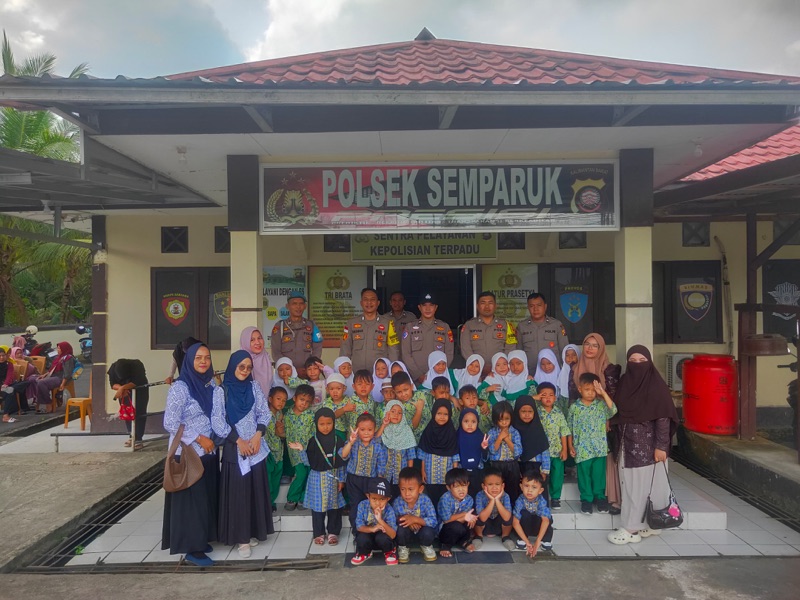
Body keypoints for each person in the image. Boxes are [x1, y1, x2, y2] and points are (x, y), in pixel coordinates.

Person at [607, 345, 680, 545]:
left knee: (646, 488)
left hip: (650, 448)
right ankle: (646, 524)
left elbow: (663, 418)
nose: (637, 364)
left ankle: (632, 529)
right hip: (628, 445)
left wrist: (661, 446)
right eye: (633, 361)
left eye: (642, 360)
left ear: (649, 362)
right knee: (633, 488)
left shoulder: (656, 387)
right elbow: (616, 407)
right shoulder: (625, 382)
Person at [211, 350, 274, 558]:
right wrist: (239, 441)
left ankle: (252, 531)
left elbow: (264, 413)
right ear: (233, 366)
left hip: (255, 449)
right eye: (241, 367)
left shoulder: (254, 387)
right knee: (239, 494)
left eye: (248, 367)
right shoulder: (221, 391)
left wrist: (257, 435)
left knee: (254, 491)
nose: (245, 371)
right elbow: (217, 421)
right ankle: (242, 539)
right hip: (235, 449)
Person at [161, 343, 219, 567]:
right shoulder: (180, 387)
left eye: (207, 357)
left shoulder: (209, 384)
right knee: (191, 503)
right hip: (188, 453)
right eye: (198, 358)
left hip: (208, 452)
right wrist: (199, 437)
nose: (203, 361)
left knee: (204, 499)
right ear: (189, 361)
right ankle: (192, 549)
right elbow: (170, 422)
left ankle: (202, 539)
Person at [567, 333, 622, 513]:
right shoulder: (575, 405)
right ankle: (586, 500)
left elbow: (613, 408)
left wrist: (602, 394)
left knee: (599, 473)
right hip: (582, 445)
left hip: (599, 443)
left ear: (601, 348)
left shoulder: (609, 370)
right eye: (587, 344)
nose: (590, 348)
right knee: (584, 473)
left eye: (594, 345)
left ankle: (600, 497)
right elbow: (569, 426)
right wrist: (570, 444)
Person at [287, 407, 346, 546]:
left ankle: (333, 532)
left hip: (334, 478)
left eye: (329, 423)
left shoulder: (338, 440)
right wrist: (302, 450)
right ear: (316, 424)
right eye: (321, 424)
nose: (325, 427)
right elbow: (309, 462)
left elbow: (342, 462)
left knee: (334, 507)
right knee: (318, 508)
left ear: (334, 423)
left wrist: (342, 480)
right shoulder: (313, 441)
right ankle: (319, 533)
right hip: (317, 480)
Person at [340, 413, 388, 530]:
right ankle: (357, 531)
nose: (366, 433)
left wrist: (380, 481)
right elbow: (343, 455)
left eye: (370, 430)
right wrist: (350, 442)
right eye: (362, 430)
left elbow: (381, 465)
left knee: (370, 505)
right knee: (356, 506)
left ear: (374, 430)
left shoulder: (377, 446)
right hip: (354, 480)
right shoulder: (354, 443)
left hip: (371, 481)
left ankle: (370, 530)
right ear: (356, 429)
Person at [339, 287, 399, 372]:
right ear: (361, 303)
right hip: (357, 374)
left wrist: (393, 371)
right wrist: (343, 370)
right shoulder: (351, 323)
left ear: (378, 303)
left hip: (379, 374)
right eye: (366, 299)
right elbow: (345, 350)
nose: (369, 302)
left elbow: (393, 351)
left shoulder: (388, 323)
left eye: (372, 299)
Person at [399, 293, 454, 384]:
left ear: (436, 307)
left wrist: (439, 372)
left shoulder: (444, 327)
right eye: (424, 305)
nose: (428, 309)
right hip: (416, 380)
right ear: (419, 307)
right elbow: (406, 354)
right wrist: (418, 375)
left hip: (438, 378)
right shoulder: (410, 327)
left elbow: (449, 353)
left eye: (431, 305)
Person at [416, 398, 461, 507]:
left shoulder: (451, 433)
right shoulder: (428, 431)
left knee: (445, 498)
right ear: (434, 414)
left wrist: (454, 474)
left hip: (446, 474)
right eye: (439, 413)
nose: (442, 417)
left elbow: (455, 455)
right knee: (431, 498)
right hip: (430, 473)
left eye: (445, 414)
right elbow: (423, 453)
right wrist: (422, 471)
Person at [459, 291, 517, 373]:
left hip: (500, 372)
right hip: (475, 371)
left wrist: (499, 365)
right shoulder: (469, 325)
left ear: (495, 306)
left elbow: (511, 348)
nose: (487, 306)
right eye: (483, 303)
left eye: (490, 303)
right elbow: (465, 349)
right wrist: (476, 365)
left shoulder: (506, 325)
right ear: (477, 306)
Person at [271, 291, 324, 377]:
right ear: (287, 306)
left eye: (301, 303)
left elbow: (317, 349)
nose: (298, 307)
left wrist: (309, 368)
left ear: (305, 306)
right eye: (294, 303)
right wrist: (291, 370)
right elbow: (276, 352)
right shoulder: (279, 326)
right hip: (287, 375)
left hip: (307, 374)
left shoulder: (311, 325)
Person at [535, 383, 571, 509]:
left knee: (557, 475)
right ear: (539, 397)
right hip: (541, 451)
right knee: (541, 475)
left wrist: (564, 449)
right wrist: (534, 398)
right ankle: (540, 497)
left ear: (555, 398)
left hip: (556, 450)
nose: (548, 398)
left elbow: (564, 431)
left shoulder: (558, 413)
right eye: (544, 395)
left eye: (551, 395)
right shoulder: (536, 411)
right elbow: (523, 403)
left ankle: (555, 498)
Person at [393, 466, 439, 563]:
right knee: (400, 529)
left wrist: (415, 519)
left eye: (411, 489)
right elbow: (393, 519)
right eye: (403, 489)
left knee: (429, 531)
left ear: (420, 489)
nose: (407, 493)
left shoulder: (425, 500)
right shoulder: (398, 502)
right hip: (407, 532)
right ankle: (403, 547)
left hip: (422, 531)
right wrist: (408, 521)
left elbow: (433, 520)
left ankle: (426, 545)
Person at [351, 476, 398, 566]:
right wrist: (372, 529)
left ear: (388, 499)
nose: (377, 503)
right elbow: (359, 526)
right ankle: (365, 553)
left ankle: (389, 552)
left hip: (381, 537)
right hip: (368, 534)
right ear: (368, 496)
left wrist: (380, 520)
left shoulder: (389, 509)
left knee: (383, 538)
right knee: (361, 537)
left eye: (382, 499)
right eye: (374, 499)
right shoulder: (362, 505)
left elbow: (393, 534)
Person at [284, 384, 316, 511]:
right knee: (301, 474)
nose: (304, 404)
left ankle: (303, 498)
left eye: (308, 401)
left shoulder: (311, 415)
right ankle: (292, 497)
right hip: (294, 452)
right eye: (302, 400)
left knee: (308, 474)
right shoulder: (288, 415)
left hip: (308, 451)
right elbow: (284, 432)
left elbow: (314, 433)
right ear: (294, 398)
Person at [515, 293, 569, 368]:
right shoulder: (522, 326)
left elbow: (564, 350)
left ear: (545, 306)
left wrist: (566, 370)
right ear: (528, 308)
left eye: (539, 305)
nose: (535, 309)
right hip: (530, 372)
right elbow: (518, 352)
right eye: (532, 306)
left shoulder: (556, 325)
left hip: (553, 372)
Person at [376, 399, 417, 498]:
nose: (396, 415)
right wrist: (384, 425)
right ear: (387, 412)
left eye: (399, 413)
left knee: (399, 497)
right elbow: (375, 441)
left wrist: (409, 474)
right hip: (384, 474)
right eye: (393, 411)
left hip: (401, 475)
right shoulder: (384, 429)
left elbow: (410, 455)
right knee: (384, 497)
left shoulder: (406, 431)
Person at [512, 395, 551, 497]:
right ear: (517, 412)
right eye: (523, 411)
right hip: (519, 467)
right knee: (520, 493)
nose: (527, 414)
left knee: (537, 493)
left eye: (530, 411)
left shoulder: (538, 430)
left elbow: (544, 451)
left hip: (536, 468)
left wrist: (544, 470)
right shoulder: (513, 431)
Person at [108, 359, 149, 450]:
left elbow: (136, 382)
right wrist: (121, 388)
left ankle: (138, 439)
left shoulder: (137, 365)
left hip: (140, 390)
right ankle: (131, 436)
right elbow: (112, 384)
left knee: (139, 412)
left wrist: (122, 388)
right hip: (124, 392)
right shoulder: (113, 368)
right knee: (127, 411)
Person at [486, 401, 522, 505]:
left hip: (512, 465)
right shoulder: (492, 432)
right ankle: (498, 509)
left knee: (512, 489)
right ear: (495, 419)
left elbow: (518, 452)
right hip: (497, 465)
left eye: (507, 419)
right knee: (497, 489)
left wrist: (507, 439)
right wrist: (499, 438)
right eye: (501, 419)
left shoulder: (515, 432)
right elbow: (492, 451)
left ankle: (511, 511)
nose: (504, 422)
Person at [512, 468, 554, 556]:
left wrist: (538, 540)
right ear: (521, 487)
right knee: (524, 514)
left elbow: (545, 521)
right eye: (526, 486)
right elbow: (515, 522)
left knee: (548, 518)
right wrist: (527, 542)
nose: (529, 490)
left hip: (538, 526)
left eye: (534, 487)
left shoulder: (541, 501)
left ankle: (546, 539)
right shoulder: (520, 500)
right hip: (527, 527)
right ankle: (522, 538)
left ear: (540, 491)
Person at [437, 468, 477, 557]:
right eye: (456, 487)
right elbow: (447, 520)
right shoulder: (445, 499)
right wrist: (464, 515)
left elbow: (466, 518)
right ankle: (445, 545)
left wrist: (467, 518)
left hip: (459, 524)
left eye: (464, 486)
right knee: (456, 526)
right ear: (448, 488)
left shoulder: (469, 499)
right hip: (445, 528)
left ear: (468, 485)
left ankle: (463, 541)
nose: (461, 490)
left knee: (471, 521)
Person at [473, 466, 515, 551]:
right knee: (476, 515)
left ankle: (505, 537)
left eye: (497, 484)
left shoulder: (505, 496)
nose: (494, 488)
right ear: (483, 486)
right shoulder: (480, 495)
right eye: (490, 484)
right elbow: (482, 518)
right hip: (484, 527)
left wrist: (497, 500)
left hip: (499, 527)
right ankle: (478, 536)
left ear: (502, 486)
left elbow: (507, 518)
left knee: (509, 515)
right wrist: (492, 500)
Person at [33, 342, 75, 413]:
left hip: (62, 377)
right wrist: (45, 375)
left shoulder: (68, 358)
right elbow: (53, 368)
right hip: (55, 376)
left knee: (42, 383)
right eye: (57, 348)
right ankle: (41, 403)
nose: (58, 350)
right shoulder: (59, 357)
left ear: (64, 349)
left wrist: (63, 384)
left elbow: (67, 373)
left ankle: (48, 403)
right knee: (37, 380)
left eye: (59, 348)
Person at [265, 386, 288, 511]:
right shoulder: (266, 415)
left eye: (284, 400)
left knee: (276, 478)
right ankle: (267, 502)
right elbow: (278, 433)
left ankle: (272, 501)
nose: (281, 402)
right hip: (268, 452)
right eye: (278, 399)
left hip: (278, 451)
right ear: (270, 399)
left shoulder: (279, 413)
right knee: (268, 479)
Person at [391, 371, 431, 442]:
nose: (403, 394)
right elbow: (412, 427)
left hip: (432, 434)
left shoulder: (422, 394)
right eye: (399, 392)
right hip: (415, 441)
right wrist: (419, 410)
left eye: (406, 390)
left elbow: (436, 393)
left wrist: (451, 397)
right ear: (394, 392)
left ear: (411, 386)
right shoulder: (397, 407)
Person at [457, 407, 489, 498]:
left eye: (473, 422)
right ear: (461, 422)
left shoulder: (481, 437)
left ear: (477, 423)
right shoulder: (456, 437)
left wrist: (484, 448)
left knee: (478, 495)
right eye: (466, 421)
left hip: (478, 473)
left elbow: (486, 459)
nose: (470, 425)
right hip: (462, 473)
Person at [240, 327, 274, 400]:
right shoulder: (241, 361)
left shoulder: (265, 357)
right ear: (245, 342)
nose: (257, 342)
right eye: (252, 340)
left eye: (259, 338)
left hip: (266, 402)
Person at [556, 344, 580, 415]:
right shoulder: (562, 372)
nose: (570, 358)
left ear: (578, 356)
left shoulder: (580, 371)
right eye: (567, 355)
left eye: (574, 355)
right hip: (564, 400)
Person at [1, 348, 19, 423]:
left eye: (3, 355)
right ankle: (6, 416)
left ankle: (6, 415)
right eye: (0, 356)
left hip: (5, 386)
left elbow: (9, 376)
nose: (1, 357)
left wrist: (5, 384)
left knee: (10, 390)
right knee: (10, 391)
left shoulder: (9, 364)